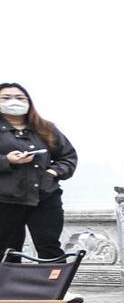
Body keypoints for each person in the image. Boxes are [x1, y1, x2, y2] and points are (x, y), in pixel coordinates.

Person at [0, 83, 78, 261]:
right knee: (6, 250)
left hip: (45, 196)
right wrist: (7, 160)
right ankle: (8, 288)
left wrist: (53, 172)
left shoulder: (45, 128)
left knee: (49, 246)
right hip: (5, 200)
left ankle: (53, 288)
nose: (13, 102)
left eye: (19, 98)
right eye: (6, 98)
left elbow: (68, 157)